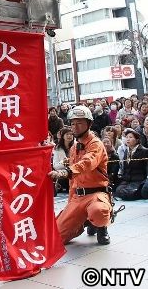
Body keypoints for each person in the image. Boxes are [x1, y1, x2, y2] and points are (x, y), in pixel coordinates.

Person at [48, 105, 112, 246]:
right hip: (78, 197)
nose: (74, 127)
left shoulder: (96, 144)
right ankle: (86, 220)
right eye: (72, 123)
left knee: (98, 211)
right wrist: (70, 204)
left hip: (97, 193)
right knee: (56, 237)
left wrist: (67, 171)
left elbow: (88, 162)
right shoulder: (74, 148)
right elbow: (73, 182)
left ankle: (101, 227)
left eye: (79, 123)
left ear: (89, 124)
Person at [115, 128, 148, 200]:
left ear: (137, 140)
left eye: (130, 137)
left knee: (129, 194)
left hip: (138, 179)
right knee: (117, 191)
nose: (128, 139)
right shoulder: (126, 151)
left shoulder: (144, 151)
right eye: (126, 137)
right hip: (127, 180)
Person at [52, 128, 74, 193]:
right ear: (63, 136)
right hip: (62, 174)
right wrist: (64, 163)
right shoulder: (58, 148)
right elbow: (55, 166)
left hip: (74, 172)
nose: (69, 136)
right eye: (67, 134)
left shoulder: (76, 146)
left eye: (71, 134)